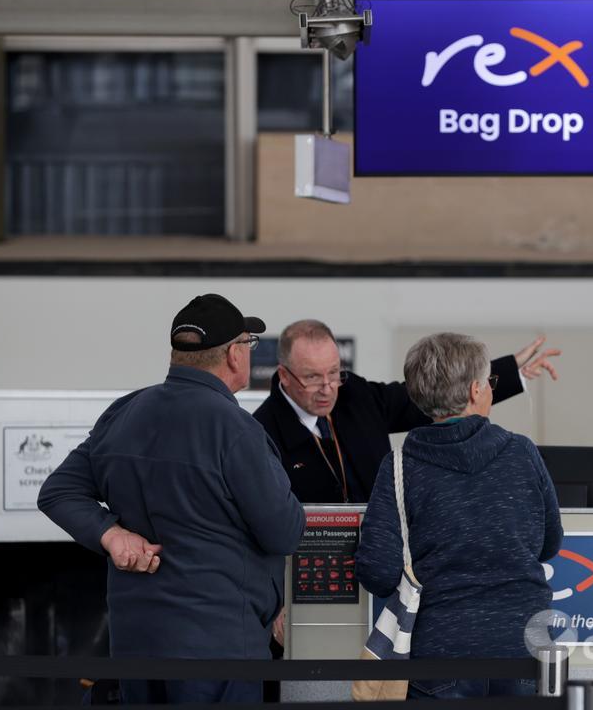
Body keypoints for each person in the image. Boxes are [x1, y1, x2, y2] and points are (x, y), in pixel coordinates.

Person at [37, 293, 306, 705]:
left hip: (133, 642)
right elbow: (284, 533)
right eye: (248, 344)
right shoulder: (236, 429)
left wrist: (111, 535)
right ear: (234, 355)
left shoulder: (123, 413)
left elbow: (58, 491)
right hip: (219, 646)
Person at [354, 332, 564, 700]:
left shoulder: (400, 466)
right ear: (473, 391)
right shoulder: (521, 453)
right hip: (523, 645)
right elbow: (549, 543)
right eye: (488, 382)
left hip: (440, 653)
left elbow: (378, 571)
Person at [253, 319, 560, 503]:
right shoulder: (260, 432)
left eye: (334, 372)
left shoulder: (355, 394)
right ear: (284, 375)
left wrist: (507, 372)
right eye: (312, 377)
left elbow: (430, 394)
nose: (327, 387)